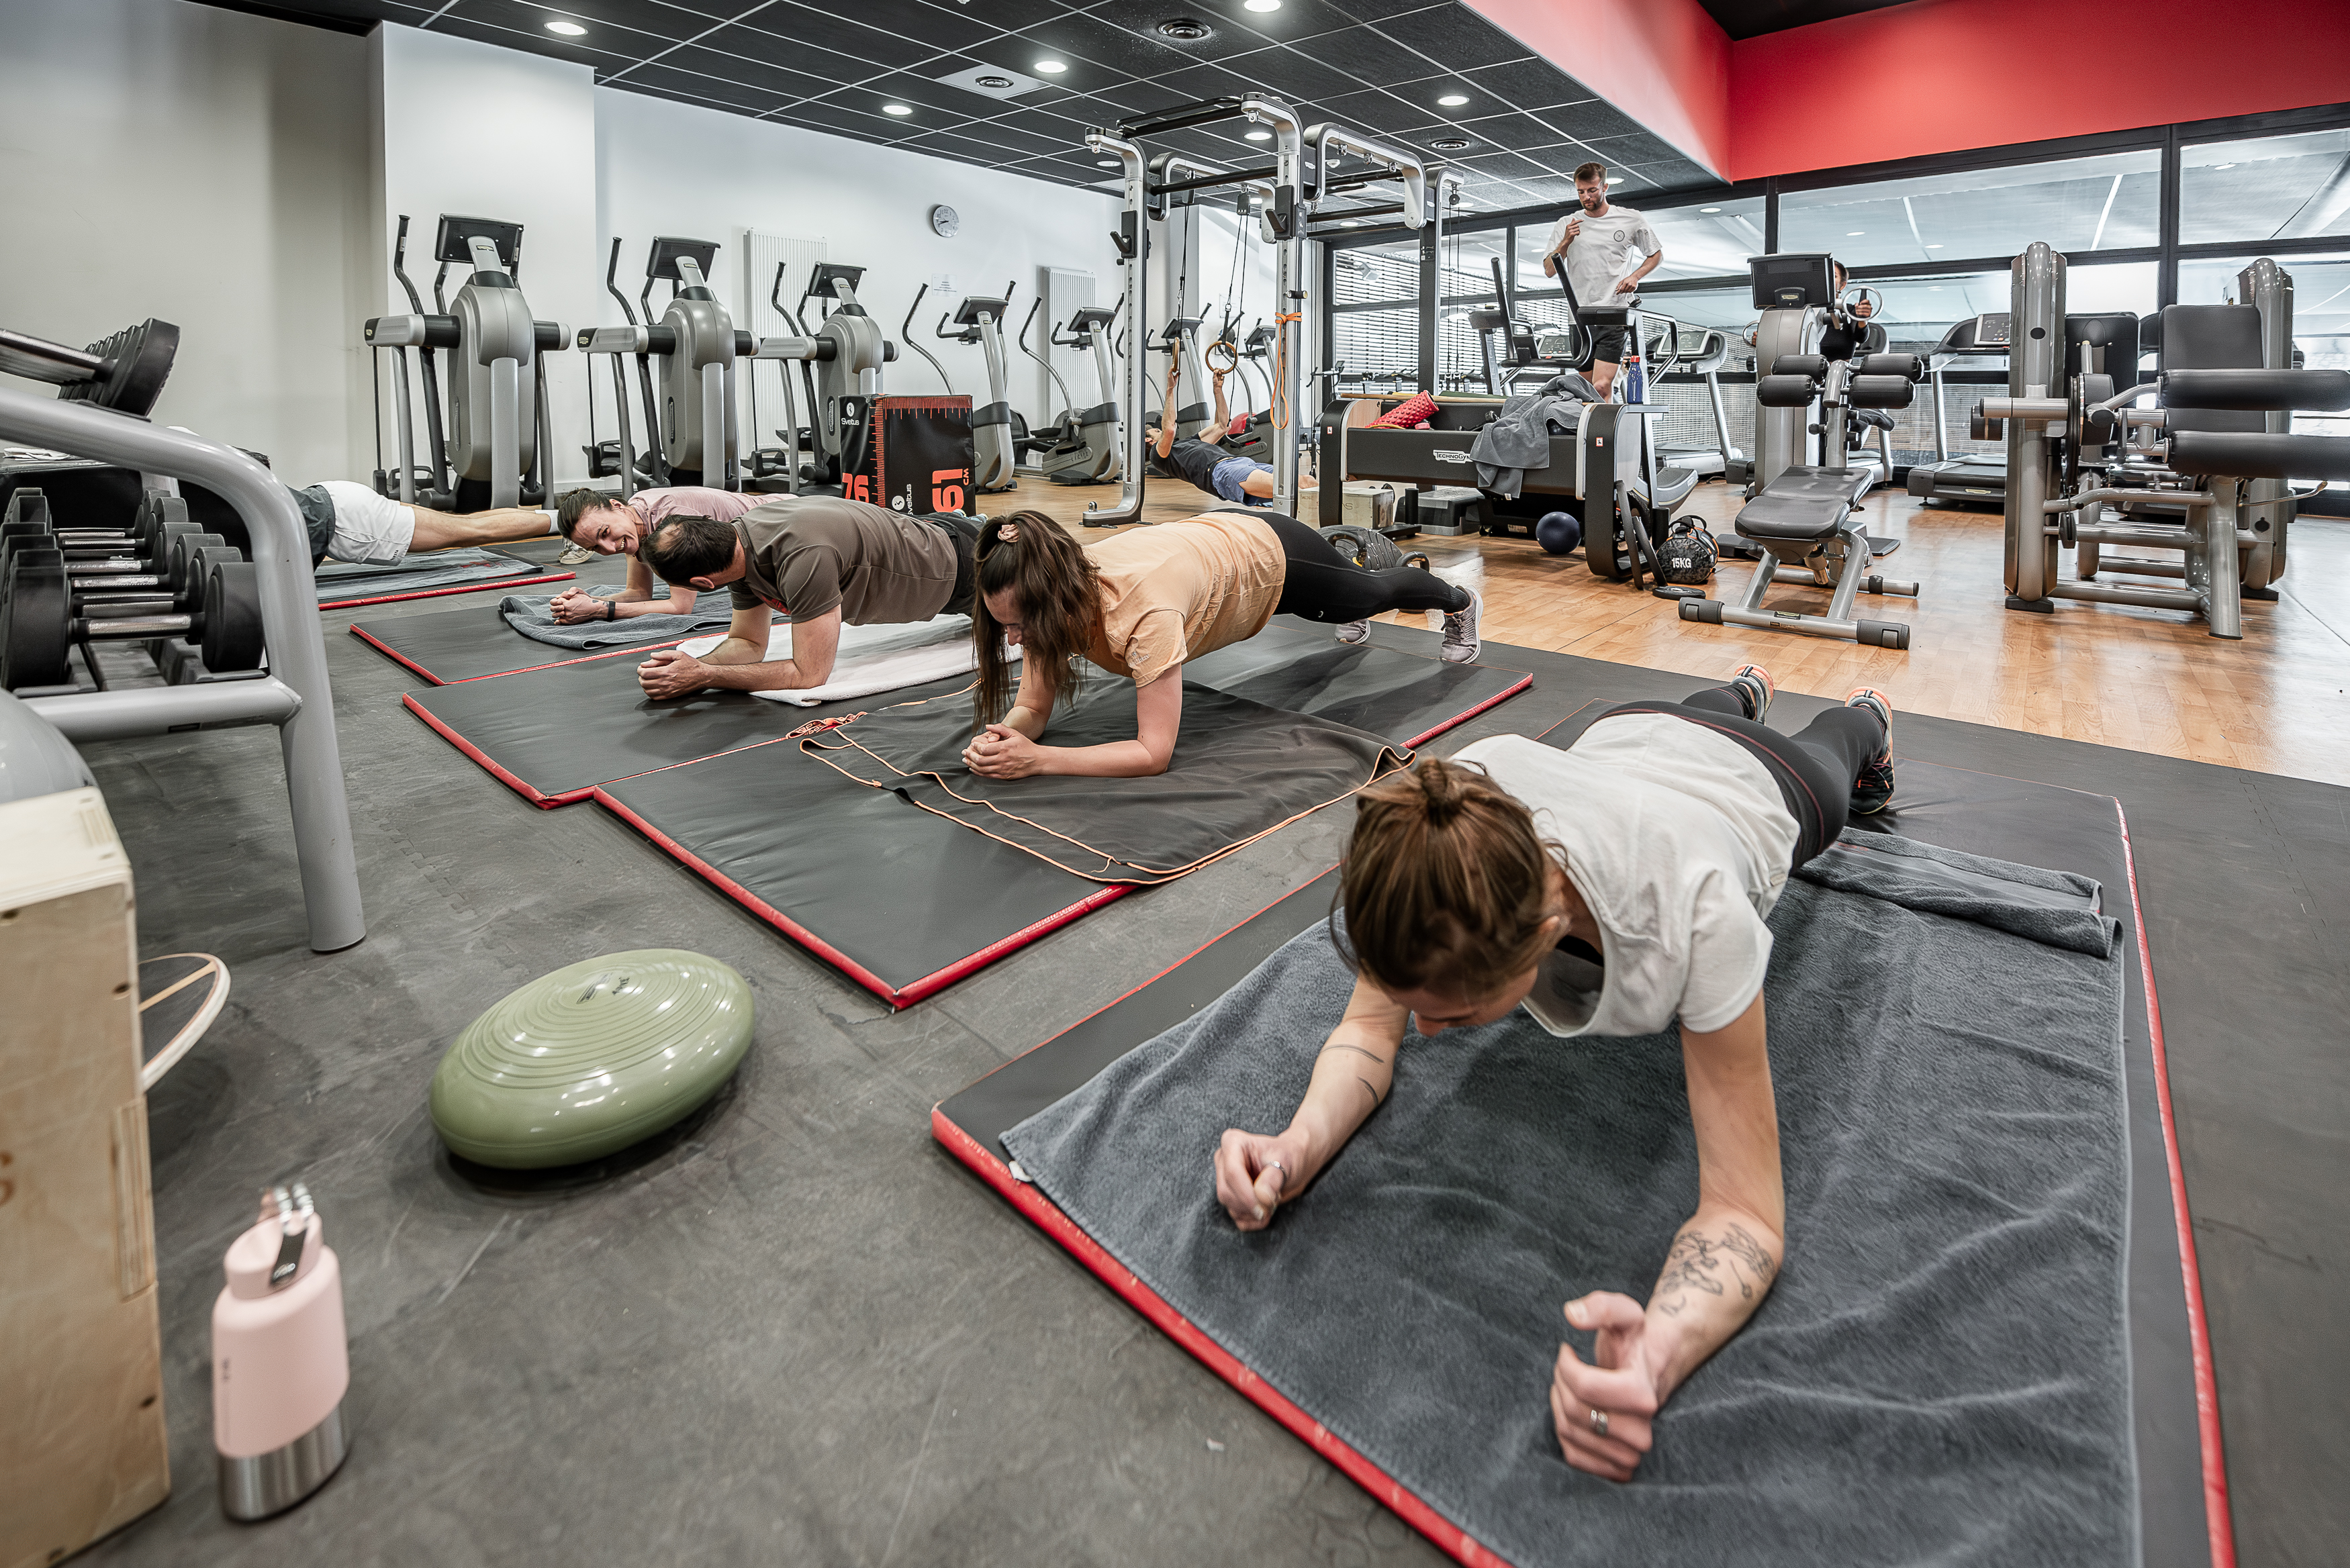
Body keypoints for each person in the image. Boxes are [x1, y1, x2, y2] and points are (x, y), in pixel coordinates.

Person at [1210, 663, 1898, 1481]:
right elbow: (1367, 1030)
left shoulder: (1695, 912)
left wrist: (1656, 1353)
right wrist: (1294, 1146)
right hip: (1625, 733)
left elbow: (1745, 1214)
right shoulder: (1443, 823)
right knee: (1692, 713)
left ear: (1541, 936)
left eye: (1453, 1016)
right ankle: (1738, 688)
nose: (1422, 1030)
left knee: (1834, 750)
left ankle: (1862, 710)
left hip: (1755, 777)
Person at [961, 509, 1480, 781]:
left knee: (1367, 597)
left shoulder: (1144, 612)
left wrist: (1039, 761)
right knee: (1343, 606)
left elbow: (1153, 752)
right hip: (1212, 546)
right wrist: (1005, 738)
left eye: (1020, 626)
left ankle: (1457, 599)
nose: (1013, 639)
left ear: (1052, 601)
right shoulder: (1046, 587)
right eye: (1003, 625)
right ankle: (1343, 565)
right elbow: (1031, 706)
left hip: (1274, 557)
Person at [629, 493, 980, 699]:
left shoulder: (803, 558)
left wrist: (706, 677)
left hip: (971, 568)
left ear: (704, 584)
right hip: (935, 537)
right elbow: (748, 642)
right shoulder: (733, 547)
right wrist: (694, 667)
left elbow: (809, 674)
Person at [543, 486, 762, 626]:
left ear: (617, 506)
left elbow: (680, 607)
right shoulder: (633, 519)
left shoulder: (671, 523)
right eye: (596, 548)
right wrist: (589, 602)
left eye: (605, 533)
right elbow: (638, 593)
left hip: (782, 532)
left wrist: (599, 611)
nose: (609, 549)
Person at [1537, 162, 1664, 400]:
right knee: (1584, 392)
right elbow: (1549, 270)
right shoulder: (1567, 223)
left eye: (1592, 190)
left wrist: (1635, 276)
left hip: (1613, 313)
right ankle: (1589, 437)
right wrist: (1565, 242)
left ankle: (1605, 438)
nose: (1586, 196)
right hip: (1579, 318)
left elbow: (1656, 254)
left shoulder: (1630, 219)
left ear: (1604, 186)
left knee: (1602, 387)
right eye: (1581, 192)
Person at [1145, 360, 1316, 506]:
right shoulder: (1158, 456)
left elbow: (1222, 426)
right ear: (1148, 439)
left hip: (1244, 463)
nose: (1158, 428)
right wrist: (1170, 389)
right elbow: (1169, 429)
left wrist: (1217, 390)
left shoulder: (1186, 443)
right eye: (1154, 429)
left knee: (1307, 482)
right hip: (1222, 472)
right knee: (1289, 488)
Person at [287, 481, 560, 569]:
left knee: (472, 532)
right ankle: (563, 518)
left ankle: (567, 520)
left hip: (349, 520)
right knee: (466, 526)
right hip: (337, 499)